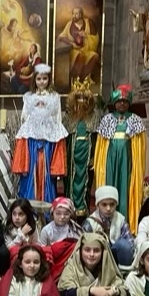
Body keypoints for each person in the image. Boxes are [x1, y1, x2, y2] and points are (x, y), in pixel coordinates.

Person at [93, 84, 148, 230]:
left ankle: (125, 221)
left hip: (127, 159)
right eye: (119, 101)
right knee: (110, 184)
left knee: (125, 187)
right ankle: (106, 221)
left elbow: (140, 145)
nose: (122, 104)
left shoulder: (135, 119)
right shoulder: (107, 119)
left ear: (129, 103)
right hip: (110, 159)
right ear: (114, 103)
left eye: (125, 101)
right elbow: (101, 145)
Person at [12, 63, 68, 202]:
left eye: (44, 78)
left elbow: (58, 118)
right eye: (39, 79)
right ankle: (29, 205)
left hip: (48, 141)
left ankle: (47, 205)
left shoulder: (54, 97)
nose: (42, 81)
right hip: (31, 141)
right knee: (31, 175)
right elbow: (24, 116)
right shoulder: (29, 97)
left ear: (49, 79)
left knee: (46, 175)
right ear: (34, 80)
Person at [63, 76, 100, 216]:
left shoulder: (95, 117)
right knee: (71, 184)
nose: (81, 101)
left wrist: (94, 158)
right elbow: (64, 140)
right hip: (71, 157)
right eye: (78, 98)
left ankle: (83, 211)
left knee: (85, 183)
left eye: (84, 98)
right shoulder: (68, 118)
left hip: (87, 156)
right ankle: (70, 209)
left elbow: (97, 140)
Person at [83, 186, 135, 268]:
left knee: (123, 245)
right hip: (98, 257)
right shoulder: (90, 222)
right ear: (98, 205)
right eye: (104, 204)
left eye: (112, 204)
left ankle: (124, 272)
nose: (108, 208)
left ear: (116, 204)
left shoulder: (120, 219)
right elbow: (84, 245)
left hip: (117, 257)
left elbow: (130, 243)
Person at [57, 7, 100, 82]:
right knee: (80, 56)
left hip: (87, 50)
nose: (74, 15)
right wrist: (72, 43)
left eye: (76, 14)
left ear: (81, 14)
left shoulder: (88, 23)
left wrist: (86, 36)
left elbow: (96, 38)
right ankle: (76, 79)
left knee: (95, 56)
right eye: (73, 14)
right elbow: (62, 36)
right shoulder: (69, 24)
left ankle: (85, 78)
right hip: (75, 50)